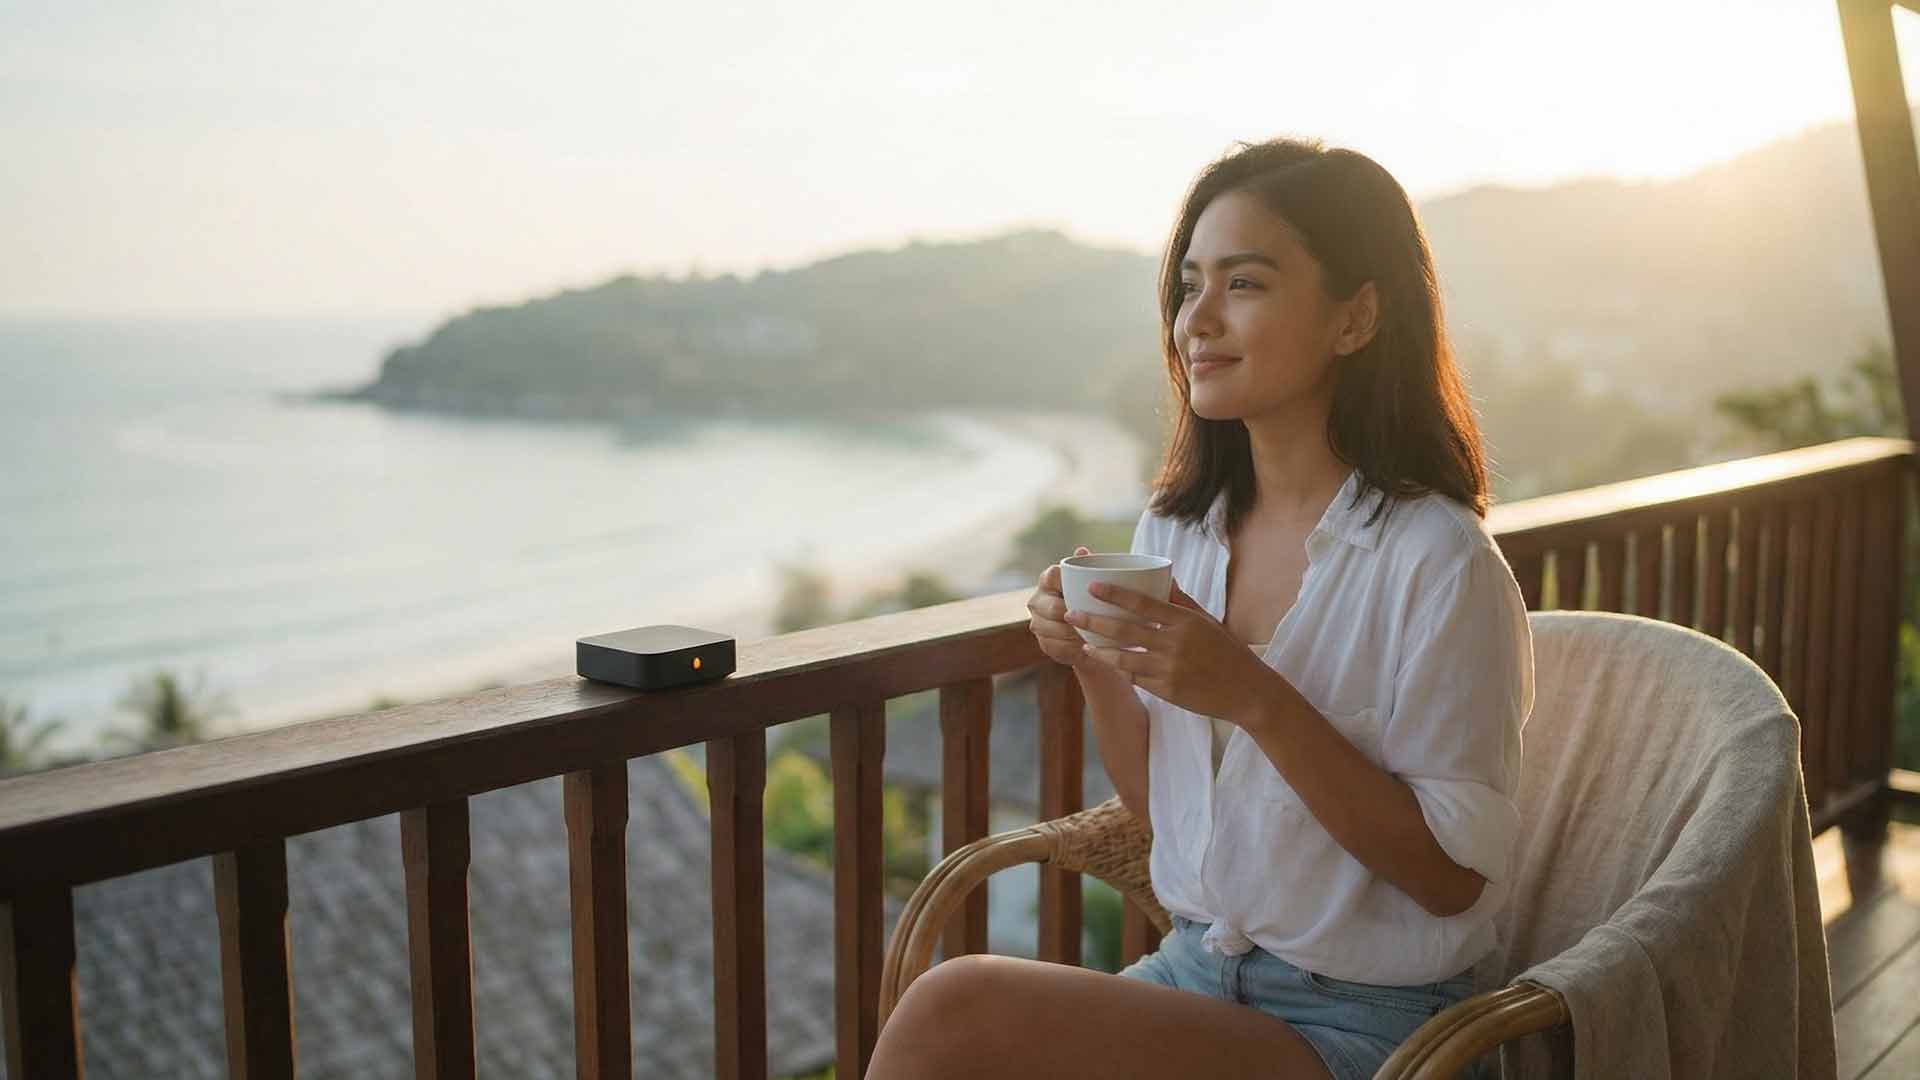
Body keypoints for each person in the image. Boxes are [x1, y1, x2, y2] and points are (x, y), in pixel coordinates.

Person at [865, 136, 1532, 1080]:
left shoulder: (1437, 561)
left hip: (1377, 1029)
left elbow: (1450, 881)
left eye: (1244, 284)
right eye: (1188, 287)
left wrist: (1253, 696)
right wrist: (1094, 664)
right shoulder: (1179, 532)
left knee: (956, 1010)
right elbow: (1164, 812)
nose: (1197, 321)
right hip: (1196, 974)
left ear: (1356, 317)